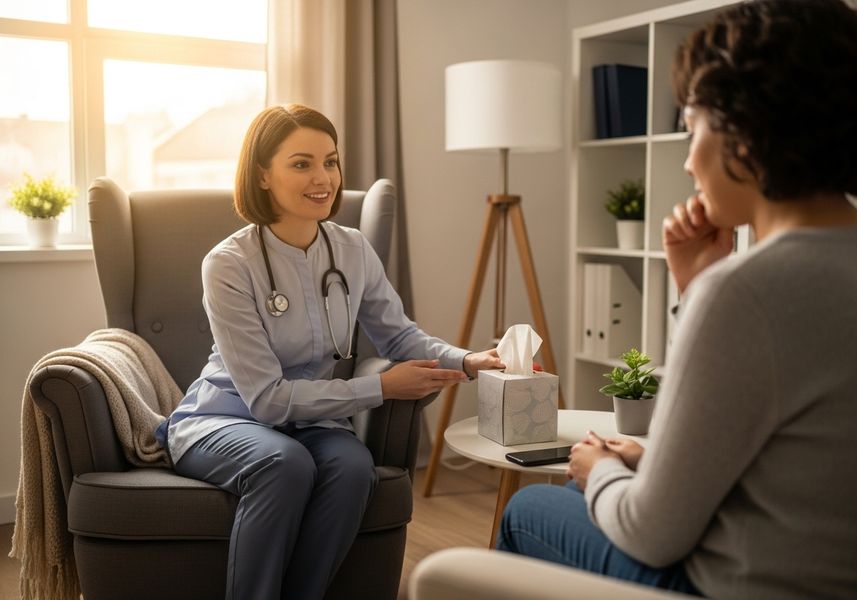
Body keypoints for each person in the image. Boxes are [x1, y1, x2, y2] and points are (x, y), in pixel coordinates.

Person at [497, 1, 857, 598]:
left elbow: (650, 532)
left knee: (535, 504)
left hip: (745, 583)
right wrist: (697, 286)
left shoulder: (744, 292)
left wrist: (602, 467)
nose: (688, 162)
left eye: (692, 130)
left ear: (744, 129)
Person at [154, 103, 503, 600]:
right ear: (263, 175)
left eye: (331, 161)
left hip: (313, 423)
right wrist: (380, 387)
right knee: (284, 463)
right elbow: (267, 401)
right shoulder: (228, 264)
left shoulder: (352, 249)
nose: (323, 178)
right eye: (301, 164)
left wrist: (468, 361)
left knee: (352, 466)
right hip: (227, 418)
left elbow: (400, 337)